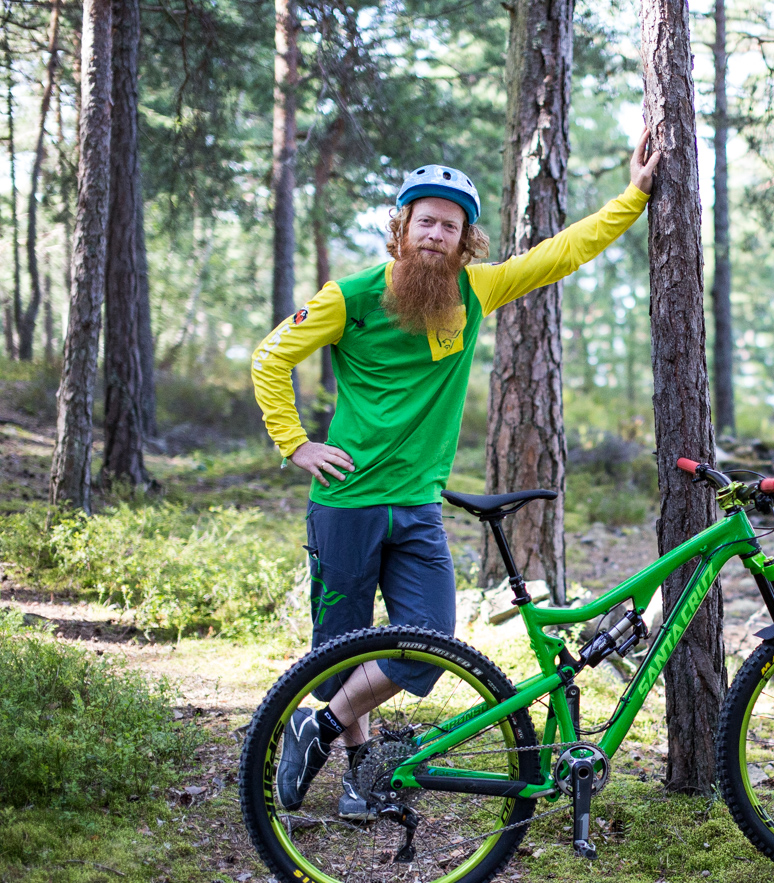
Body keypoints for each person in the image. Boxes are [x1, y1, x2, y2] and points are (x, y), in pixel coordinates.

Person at [251, 132, 660, 819]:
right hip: (346, 502)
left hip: (417, 505)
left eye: (450, 226)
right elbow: (270, 356)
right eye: (425, 221)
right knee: (340, 654)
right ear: (402, 228)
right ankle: (359, 775)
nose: (436, 235)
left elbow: (562, 253)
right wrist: (295, 444)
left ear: (466, 240)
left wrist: (634, 197)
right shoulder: (349, 297)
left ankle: (315, 727)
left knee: (429, 642)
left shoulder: (476, 290)